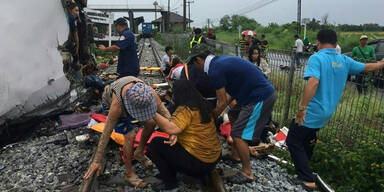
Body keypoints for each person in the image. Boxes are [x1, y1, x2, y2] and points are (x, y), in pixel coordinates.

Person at [286, 29, 384, 191]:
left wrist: (302, 108)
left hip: (313, 110)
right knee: (307, 138)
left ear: (318, 43)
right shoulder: (343, 60)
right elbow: (366, 67)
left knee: (293, 140)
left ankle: (306, 178)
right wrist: (380, 64)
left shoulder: (316, 58)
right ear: (335, 43)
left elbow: (313, 82)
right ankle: (304, 171)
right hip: (327, 111)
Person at [187, 44, 276, 184]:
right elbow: (230, 96)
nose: (195, 67)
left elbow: (221, 103)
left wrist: (210, 119)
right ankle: (236, 155)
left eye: (193, 63)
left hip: (259, 97)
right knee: (233, 116)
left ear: (199, 60)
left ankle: (247, 173)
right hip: (248, 94)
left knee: (237, 133)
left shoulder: (214, 70)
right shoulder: (219, 62)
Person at [83, 76, 172, 188]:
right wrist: (97, 160)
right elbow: (106, 132)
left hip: (127, 99)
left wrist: (173, 131)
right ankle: (128, 173)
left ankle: (139, 153)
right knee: (130, 136)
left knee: (151, 123)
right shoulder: (117, 106)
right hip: (109, 103)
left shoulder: (149, 92)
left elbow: (163, 110)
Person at [148, 80, 221, 191]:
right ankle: (170, 171)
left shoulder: (186, 110)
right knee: (169, 142)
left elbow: (169, 128)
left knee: (155, 144)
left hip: (199, 163)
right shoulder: (203, 105)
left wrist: (152, 111)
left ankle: (170, 182)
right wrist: (175, 135)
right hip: (214, 158)